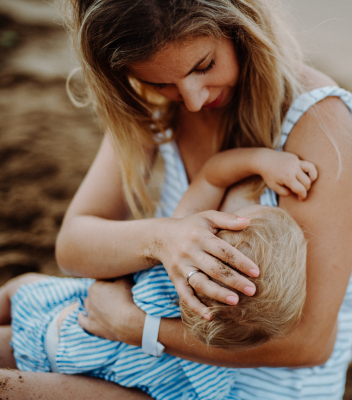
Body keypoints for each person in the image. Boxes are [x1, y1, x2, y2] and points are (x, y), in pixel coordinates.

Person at [0, 0, 352, 399]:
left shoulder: (316, 118)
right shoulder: (152, 101)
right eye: (162, 82)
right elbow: (73, 247)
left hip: (236, 384)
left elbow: (310, 343)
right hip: (141, 350)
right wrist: (164, 239)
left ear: (240, 27)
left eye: (204, 66)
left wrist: (134, 326)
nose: (192, 99)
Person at [0, 148, 312, 400]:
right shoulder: (209, 367)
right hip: (74, 362)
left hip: (63, 323)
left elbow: (212, 177)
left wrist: (260, 160)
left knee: (20, 287)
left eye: (238, 216)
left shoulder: (184, 253)